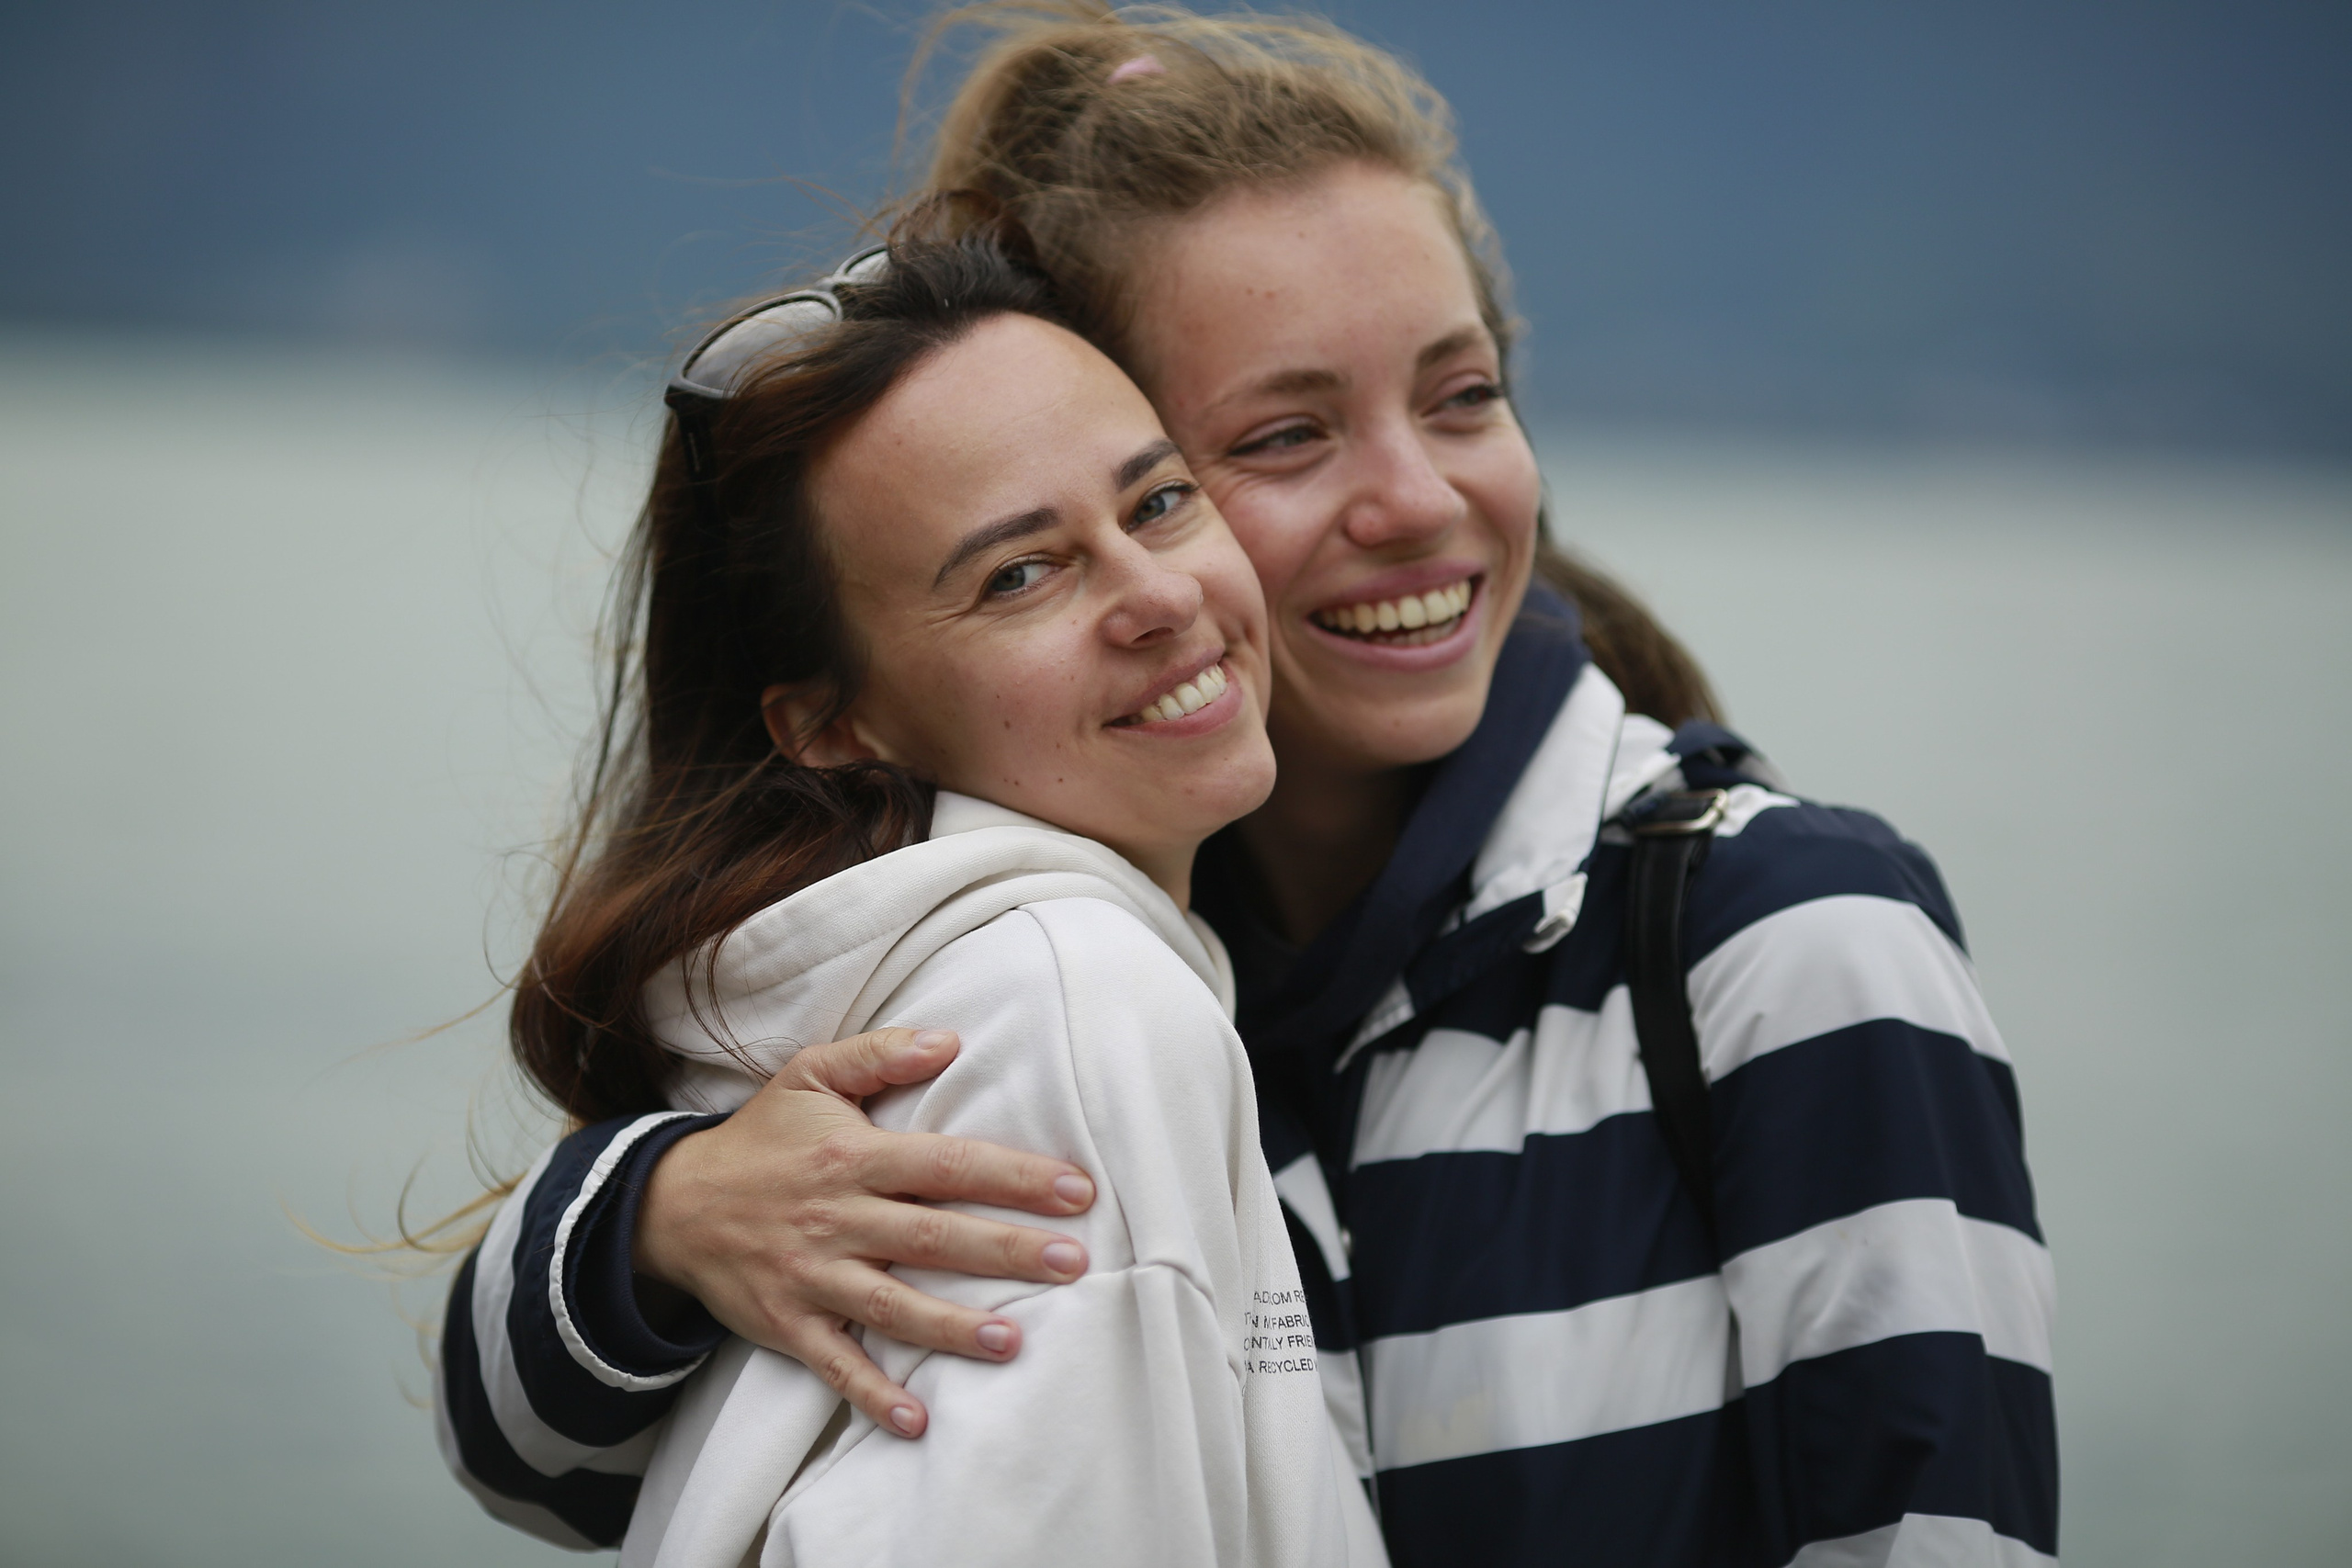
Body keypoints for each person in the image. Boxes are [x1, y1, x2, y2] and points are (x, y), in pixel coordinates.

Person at [441, 6, 2057, 1564]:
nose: (1418, 499)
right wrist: (662, 1218)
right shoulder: (1052, 980)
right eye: (1287, 436)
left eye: (1463, 394)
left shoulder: (1780, 942)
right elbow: (564, 1477)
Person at [438, 225, 1384, 1565]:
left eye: (1159, 501)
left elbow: (540, 1481)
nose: (1160, 595)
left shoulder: (845, 996)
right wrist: (649, 1219)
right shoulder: (1074, 1008)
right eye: (1020, 573)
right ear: (832, 724)